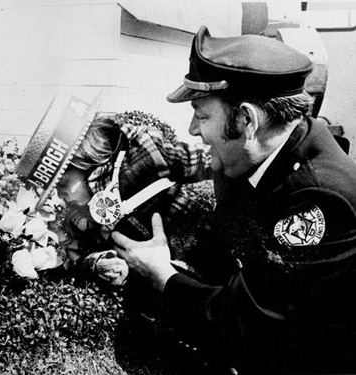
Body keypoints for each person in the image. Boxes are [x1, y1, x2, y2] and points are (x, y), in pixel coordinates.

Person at [112, 25, 356, 374]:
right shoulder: (253, 156)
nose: (193, 130)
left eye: (202, 114)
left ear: (246, 120)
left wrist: (161, 274)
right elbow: (233, 252)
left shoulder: (319, 201)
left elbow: (248, 329)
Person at [56, 115, 215, 287]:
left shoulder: (144, 152)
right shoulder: (79, 218)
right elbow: (77, 257)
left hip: (203, 249)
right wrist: (98, 263)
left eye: (63, 183)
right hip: (162, 286)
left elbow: (205, 160)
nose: (60, 195)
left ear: (85, 160)